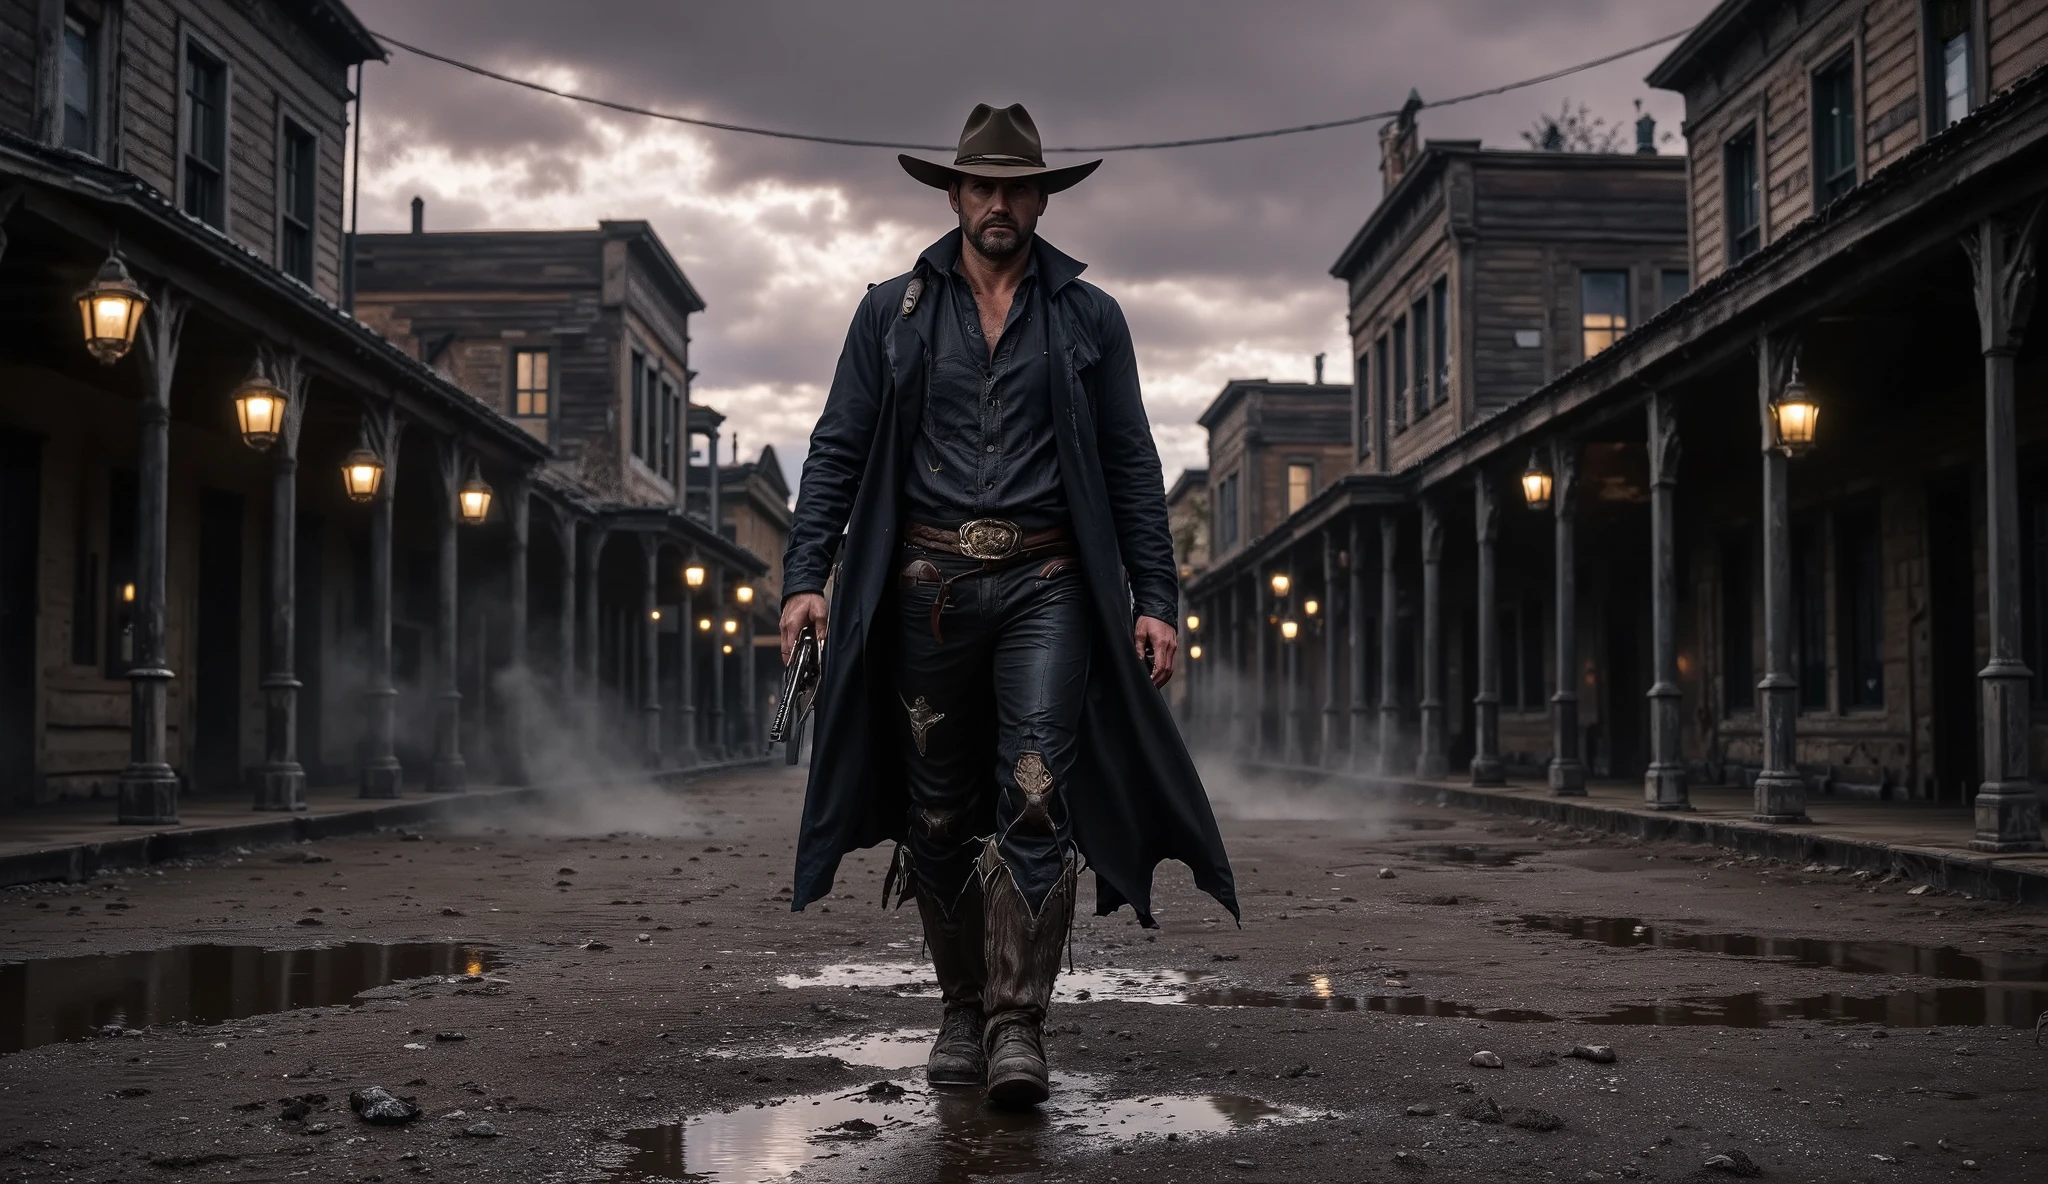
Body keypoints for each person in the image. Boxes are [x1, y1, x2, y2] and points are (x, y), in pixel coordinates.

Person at [779, 102, 1237, 1107]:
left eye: (1015, 185)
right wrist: (805, 577)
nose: (997, 202)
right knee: (936, 811)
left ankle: (1017, 1022)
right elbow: (837, 452)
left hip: (1048, 582)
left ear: (1039, 196)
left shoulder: (1087, 317)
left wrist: (1154, 594)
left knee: (1034, 786)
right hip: (922, 590)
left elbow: (1130, 462)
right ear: (952, 194)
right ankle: (958, 1006)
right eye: (980, 184)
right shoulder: (888, 311)